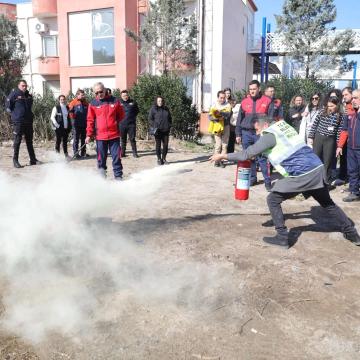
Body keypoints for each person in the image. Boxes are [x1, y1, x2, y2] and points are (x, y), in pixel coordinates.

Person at [210, 116, 360, 248]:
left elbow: (246, 154)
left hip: (303, 173)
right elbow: (281, 148)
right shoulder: (283, 127)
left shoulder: (269, 134)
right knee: (327, 204)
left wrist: (222, 156)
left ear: (265, 125)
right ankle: (352, 233)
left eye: (257, 130)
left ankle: (282, 237)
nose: (257, 134)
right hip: (316, 167)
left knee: (273, 199)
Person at [235, 80, 272, 189]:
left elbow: (270, 119)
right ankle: (252, 178)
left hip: (260, 134)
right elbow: (239, 119)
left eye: (254, 89)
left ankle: (267, 181)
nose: (252, 91)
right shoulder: (244, 102)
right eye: (250, 89)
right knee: (249, 157)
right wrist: (238, 133)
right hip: (246, 133)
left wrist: (266, 133)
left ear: (259, 89)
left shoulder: (267, 100)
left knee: (262, 158)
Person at [85, 82, 125, 179]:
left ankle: (118, 177)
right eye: (96, 93)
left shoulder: (115, 101)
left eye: (101, 91)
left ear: (105, 89)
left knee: (116, 157)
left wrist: (114, 123)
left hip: (114, 135)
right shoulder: (93, 104)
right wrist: (89, 134)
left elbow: (121, 115)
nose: (99, 94)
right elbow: (90, 120)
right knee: (101, 158)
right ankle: (102, 177)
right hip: (100, 136)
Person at [308, 97, 344, 186]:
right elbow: (315, 124)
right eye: (328, 106)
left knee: (328, 161)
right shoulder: (322, 112)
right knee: (316, 159)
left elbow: (339, 131)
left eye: (332, 106)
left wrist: (339, 145)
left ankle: (326, 182)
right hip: (319, 137)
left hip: (330, 140)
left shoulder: (340, 116)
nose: (329, 108)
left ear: (337, 105)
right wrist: (311, 137)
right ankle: (314, 181)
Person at [5, 79, 40, 168]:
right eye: (22, 85)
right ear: (19, 86)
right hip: (19, 121)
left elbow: (30, 105)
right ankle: (15, 160)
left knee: (29, 141)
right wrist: (15, 114)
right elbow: (8, 105)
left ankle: (33, 159)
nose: (24, 87)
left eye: (25, 85)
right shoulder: (14, 93)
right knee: (17, 141)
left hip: (28, 121)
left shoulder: (28, 95)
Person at [337, 89, 360, 202]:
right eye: (353, 98)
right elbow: (344, 129)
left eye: (356, 98)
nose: (353, 100)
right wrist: (340, 145)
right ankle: (354, 192)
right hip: (351, 147)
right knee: (352, 170)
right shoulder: (349, 112)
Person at [335, 87, 356, 186]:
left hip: (356, 141)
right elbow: (345, 129)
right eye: (343, 95)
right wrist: (340, 145)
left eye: (346, 95)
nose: (344, 97)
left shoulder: (355, 108)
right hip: (347, 139)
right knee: (345, 159)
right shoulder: (345, 107)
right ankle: (344, 178)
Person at [208, 90, 232, 167]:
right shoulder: (214, 105)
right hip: (217, 126)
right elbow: (210, 116)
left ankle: (221, 160)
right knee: (218, 145)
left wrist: (220, 113)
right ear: (218, 97)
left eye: (224, 98)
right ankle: (216, 161)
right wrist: (216, 118)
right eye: (221, 98)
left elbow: (228, 114)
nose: (222, 99)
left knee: (224, 145)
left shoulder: (228, 105)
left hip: (226, 126)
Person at [148, 96, 172, 165]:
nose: (160, 102)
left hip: (166, 130)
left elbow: (170, 118)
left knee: (166, 145)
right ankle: (159, 159)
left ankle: (164, 159)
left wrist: (169, 125)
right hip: (158, 131)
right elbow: (150, 119)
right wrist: (154, 125)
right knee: (158, 145)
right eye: (159, 101)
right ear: (156, 101)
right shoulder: (153, 109)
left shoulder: (166, 108)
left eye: (161, 101)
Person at [68, 89, 89, 158]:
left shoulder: (86, 103)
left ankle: (83, 153)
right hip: (76, 124)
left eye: (84, 95)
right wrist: (73, 119)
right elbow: (70, 113)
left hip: (84, 124)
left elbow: (89, 113)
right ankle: (76, 153)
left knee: (84, 139)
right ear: (78, 95)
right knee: (76, 139)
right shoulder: (73, 103)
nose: (83, 96)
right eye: (82, 95)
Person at [119, 90, 139, 158]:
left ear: (128, 95)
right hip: (122, 124)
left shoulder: (133, 102)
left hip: (131, 124)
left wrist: (132, 118)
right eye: (123, 96)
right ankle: (122, 153)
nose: (125, 97)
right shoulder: (118, 103)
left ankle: (135, 153)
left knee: (132, 139)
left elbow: (137, 111)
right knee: (123, 139)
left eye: (126, 95)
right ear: (121, 96)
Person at [224, 88, 237, 153]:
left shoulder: (232, 101)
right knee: (224, 139)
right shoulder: (222, 101)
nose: (228, 94)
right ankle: (223, 153)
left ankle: (230, 153)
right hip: (224, 122)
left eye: (229, 93)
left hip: (231, 122)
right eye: (226, 93)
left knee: (232, 137)